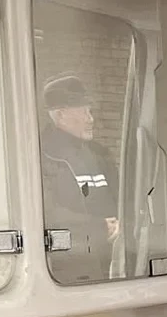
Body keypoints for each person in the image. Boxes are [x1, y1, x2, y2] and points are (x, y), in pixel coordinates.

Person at [39, 74, 122, 274]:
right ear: (61, 115)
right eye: (84, 112)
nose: (90, 119)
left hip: (111, 265)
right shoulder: (42, 156)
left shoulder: (100, 154)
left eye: (90, 111)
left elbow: (122, 198)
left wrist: (122, 223)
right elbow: (46, 214)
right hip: (68, 271)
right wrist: (99, 228)